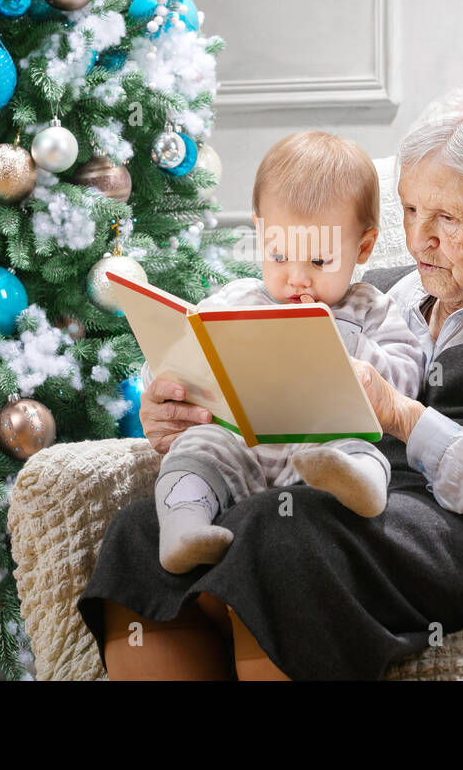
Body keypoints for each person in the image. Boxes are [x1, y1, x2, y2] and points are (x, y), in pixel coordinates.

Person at [77, 79, 463, 680]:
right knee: (143, 529)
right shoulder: (384, 292)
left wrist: (407, 418)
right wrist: (189, 407)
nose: (419, 239)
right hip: (362, 506)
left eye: (447, 217)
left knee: (285, 532)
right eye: (412, 210)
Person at [151, 130, 424, 574]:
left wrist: (349, 350)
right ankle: (185, 526)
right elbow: (177, 355)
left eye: (318, 262)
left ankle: (360, 488)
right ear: (260, 232)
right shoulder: (235, 301)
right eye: (279, 256)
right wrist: (165, 381)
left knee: (355, 447)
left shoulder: (368, 308)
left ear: (364, 247)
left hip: (319, 452)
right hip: (239, 446)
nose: (297, 278)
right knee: (198, 446)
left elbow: (410, 377)